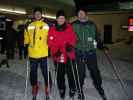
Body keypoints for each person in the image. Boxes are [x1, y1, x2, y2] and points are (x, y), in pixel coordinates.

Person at [72, 8, 107, 100]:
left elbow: (97, 36)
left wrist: (100, 44)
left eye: (82, 13)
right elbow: (69, 36)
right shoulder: (73, 25)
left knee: (95, 71)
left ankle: (98, 86)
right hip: (79, 52)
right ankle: (79, 89)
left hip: (90, 52)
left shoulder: (92, 24)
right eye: (79, 13)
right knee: (80, 73)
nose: (80, 15)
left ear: (86, 14)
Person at [48, 10, 77, 100]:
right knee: (59, 74)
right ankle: (61, 88)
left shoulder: (69, 27)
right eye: (59, 18)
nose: (61, 19)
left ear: (65, 19)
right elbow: (50, 42)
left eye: (63, 18)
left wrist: (71, 45)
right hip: (58, 55)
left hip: (68, 54)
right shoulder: (52, 29)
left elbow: (74, 38)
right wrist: (55, 51)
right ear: (56, 19)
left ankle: (72, 88)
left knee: (70, 73)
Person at [24, 7, 52, 100]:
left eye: (39, 13)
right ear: (34, 14)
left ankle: (48, 89)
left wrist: (51, 45)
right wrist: (25, 44)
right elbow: (26, 36)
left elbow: (51, 36)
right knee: (33, 73)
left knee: (45, 72)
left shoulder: (47, 24)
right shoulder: (29, 25)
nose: (37, 15)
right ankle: (34, 88)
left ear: (41, 14)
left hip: (43, 53)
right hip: (32, 53)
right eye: (36, 13)